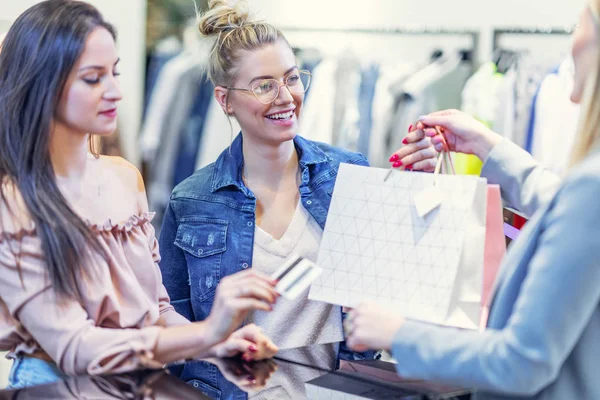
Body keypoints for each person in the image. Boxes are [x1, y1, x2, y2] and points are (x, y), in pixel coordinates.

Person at [0, 0, 278, 389]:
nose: (115, 91)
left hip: (140, 383)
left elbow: (157, 310)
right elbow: (77, 347)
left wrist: (219, 342)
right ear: (42, 83)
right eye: (93, 78)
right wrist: (207, 332)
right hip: (54, 387)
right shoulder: (14, 203)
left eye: (113, 73)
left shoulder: (124, 178)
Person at [346, 2, 600, 399]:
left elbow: (521, 362)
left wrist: (398, 332)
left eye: (579, 23)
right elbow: (560, 205)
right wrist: (486, 144)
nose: (571, 40)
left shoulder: (592, 186)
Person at [158, 0, 380, 378]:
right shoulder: (192, 202)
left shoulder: (348, 174)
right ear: (225, 100)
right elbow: (167, 324)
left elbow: (381, 295)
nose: (284, 96)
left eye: (292, 78)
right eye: (264, 85)